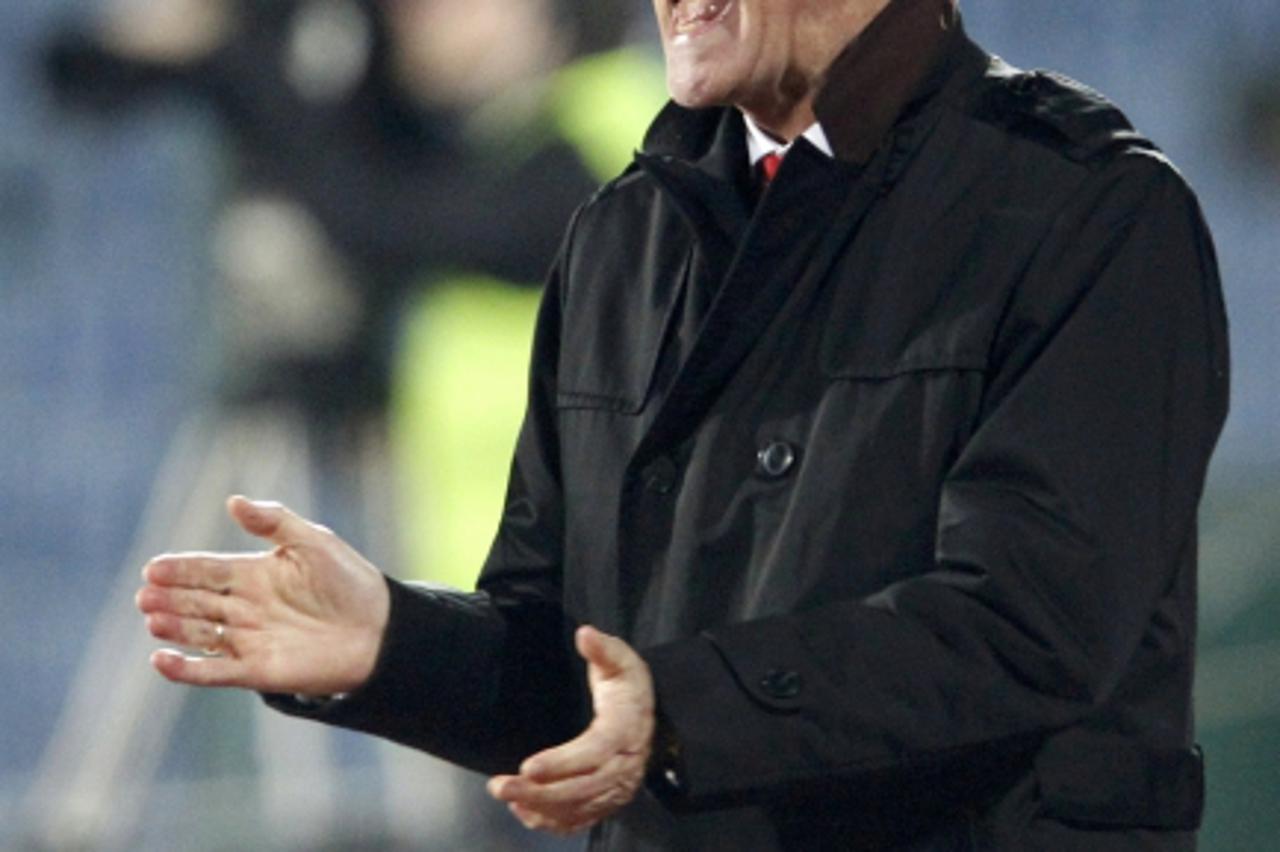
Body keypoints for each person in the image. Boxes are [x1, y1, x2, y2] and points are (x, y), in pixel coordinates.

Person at [136, 0, 1230, 848]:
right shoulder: (623, 235)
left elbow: (1024, 626)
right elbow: (568, 654)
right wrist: (390, 643)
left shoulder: (1087, 213)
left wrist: (678, 709)